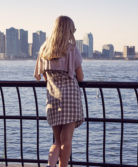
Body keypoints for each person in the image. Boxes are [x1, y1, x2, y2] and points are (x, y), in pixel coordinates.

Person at [34, 16, 84, 167]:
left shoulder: (44, 49)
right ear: (68, 31)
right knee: (66, 140)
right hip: (70, 97)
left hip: (52, 98)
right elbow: (80, 77)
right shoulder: (71, 49)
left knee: (57, 140)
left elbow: (41, 75)